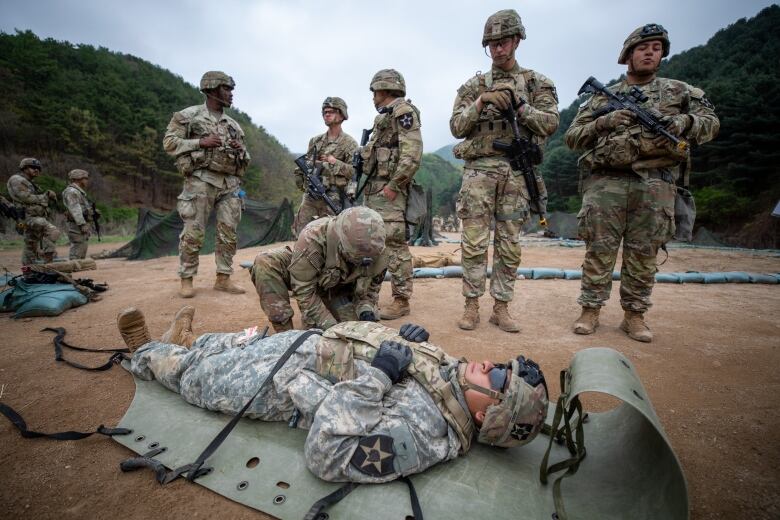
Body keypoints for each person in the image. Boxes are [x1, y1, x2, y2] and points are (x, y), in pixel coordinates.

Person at [116, 306, 548, 484]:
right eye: (501, 366)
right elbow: (406, 365)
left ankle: (146, 353)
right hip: (307, 346)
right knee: (237, 342)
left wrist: (377, 378)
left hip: (278, 385)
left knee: (199, 377)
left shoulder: (424, 436)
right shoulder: (455, 379)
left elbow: (327, 456)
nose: (491, 367)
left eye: (498, 382)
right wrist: (405, 340)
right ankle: (188, 340)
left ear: (486, 418)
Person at [564, 24, 720, 342]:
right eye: (643, 47)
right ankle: (590, 310)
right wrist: (604, 122)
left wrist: (684, 121)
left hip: (655, 183)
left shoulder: (681, 92)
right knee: (599, 250)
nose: (650, 52)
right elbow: (572, 136)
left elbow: (711, 123)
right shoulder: (600, 98)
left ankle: (634, 315)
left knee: (644, 253)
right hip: (606, 182)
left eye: (657, 48)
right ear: (628, 55)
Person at [450, 9, 559, 333]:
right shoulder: (472, 86)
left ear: (516, 41)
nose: (498, 49)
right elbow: (456, 126)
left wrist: (520, 107)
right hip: (479, 171)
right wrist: (481, 101)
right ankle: (471, 305)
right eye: (492, 44)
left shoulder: (538, 83)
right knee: (473, 243)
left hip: (516, 172)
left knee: (510, 243)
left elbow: (551, 123)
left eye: (504, 42)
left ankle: (501, 307)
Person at [163, 71, 251, 298]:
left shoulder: (233, 125)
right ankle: (187, 278)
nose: (231, 94)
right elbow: (169, 143)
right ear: (211, 89)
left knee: (228, 232)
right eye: (226, 89)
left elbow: (245, 157)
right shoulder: (188, 116)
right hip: (200, 180)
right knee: (194, 231)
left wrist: (240, 150)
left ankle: (223, 278)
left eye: (231, 90)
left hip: (230, 184)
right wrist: (200, 142)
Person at [251, 207, 388, 333]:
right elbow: (303, 289)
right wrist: (330, 325)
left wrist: (366, 311)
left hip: (339, 290)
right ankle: (285, 333)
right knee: (265, 262)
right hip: (309, 281)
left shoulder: (379, 251)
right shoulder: (313, 237)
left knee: (354, 333)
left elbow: (370, 292)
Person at [361, 69, 423, 320]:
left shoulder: (403, 112)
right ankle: (369, 296)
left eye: (375, 91)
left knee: (395, 245)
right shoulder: (383, 118)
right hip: (376, 190)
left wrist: (394, 186)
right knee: (374, 243)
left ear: (385, 89)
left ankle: (401, 299)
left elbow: (412, 155)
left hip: (390, 193)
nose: (373, 97)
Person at [293, 97, 358, 235]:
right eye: (324, 112)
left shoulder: (349, 143)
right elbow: (305, 166)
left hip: (333, 196)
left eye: (331, 111)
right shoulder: (315, 141)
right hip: (311, 194)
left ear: (341, 115)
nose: (326, 114)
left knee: (331, 235)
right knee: (301, 232)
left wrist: (334, 162)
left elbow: (354, 172)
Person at [6, 158, 61, 265]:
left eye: (38, 169)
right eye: (33, 167)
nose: (36, 170)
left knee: (31, 245)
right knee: (53, 232)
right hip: (27, 217)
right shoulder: (16, 179)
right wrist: (45, 196)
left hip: (31, 217)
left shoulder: (29, 182)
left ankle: (29, 272)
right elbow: (25, 198)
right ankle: (48, 263)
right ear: (24, 168)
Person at [61, 169, 97, 260]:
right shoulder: (72, 191)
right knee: (77, 249)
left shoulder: (78, 192)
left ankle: (78, 269)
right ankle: (74, 268)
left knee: (82, 248)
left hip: (79, 224)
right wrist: (82, 224)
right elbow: (75, 209)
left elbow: (81, 208)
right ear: (78, 179)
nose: (87, 181)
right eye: (85, 178)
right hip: (76, 225)